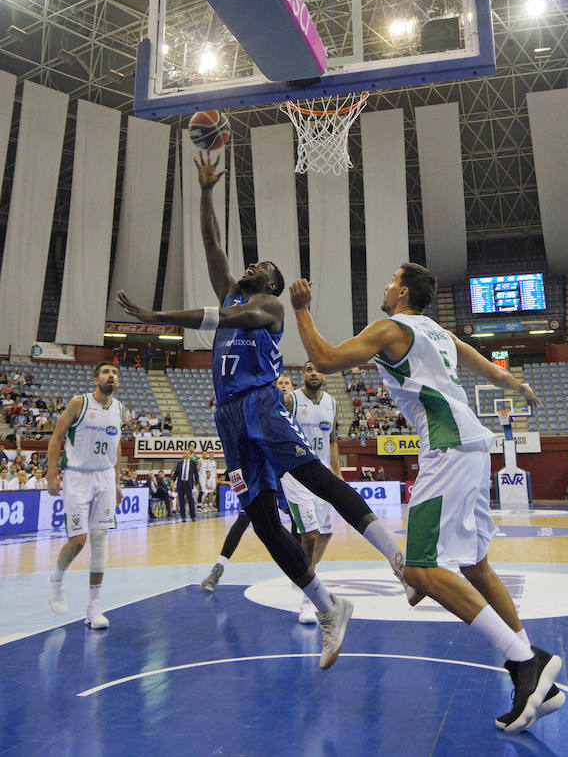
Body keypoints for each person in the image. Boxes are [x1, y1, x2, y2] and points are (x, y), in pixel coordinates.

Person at [116, 151, 408, 671]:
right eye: (251, 264)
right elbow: (212, 243)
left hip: (261, 402)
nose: (252, 266)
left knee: (316, 478)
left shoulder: (267, 307)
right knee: (263, 520)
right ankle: (329, 608)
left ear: (272, 284)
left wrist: (155, 314)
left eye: (262, 267)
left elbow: (228, 317)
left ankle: (396, 557)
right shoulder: (233, 293)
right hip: (228, 416)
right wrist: (206, 193)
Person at [289, 263, 564, 731]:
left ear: (402, 293)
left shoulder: (391, 328)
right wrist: (516, 386)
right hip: (473, 446)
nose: (385, 286)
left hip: (447, 448)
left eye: (390, 280)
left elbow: (327, 358)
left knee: (420, 570)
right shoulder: (439, 333)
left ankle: (526, 661)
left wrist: (302, 310)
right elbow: (484, 366)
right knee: (474, 565)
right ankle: (538, 679)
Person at [201, 374, 298, 593]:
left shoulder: (298, 411)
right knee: (246, 517)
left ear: (293, 389)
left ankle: (301, 568)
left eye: (287, 384)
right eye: (280, 383)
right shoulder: (262, 406)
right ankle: (218, 567)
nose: (283, 386)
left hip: (289, 471)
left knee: (296, 518)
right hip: (263, 470)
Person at [47, 363, 123, 629]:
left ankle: (93, 608)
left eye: (115, 373)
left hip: (105, 477)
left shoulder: (120, 408)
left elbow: (116, 447)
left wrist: (116, 482)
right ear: (95, 380)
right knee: (78, 541)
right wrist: (52, 474)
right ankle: (56, 579)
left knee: (100, 538)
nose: (111, 375)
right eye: (106, 372)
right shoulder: (79, 403)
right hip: (77, 476)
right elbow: (56, 438)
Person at [280, 360, 341, 624]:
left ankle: (307, 574)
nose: (313, 373)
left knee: (325, 534)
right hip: (297, 474)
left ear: (324, 374)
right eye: (308, 369)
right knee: (310, 534)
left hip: (323, 474)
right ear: (303, 375)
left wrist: (337, 472)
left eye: (317, 369)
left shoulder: (332, 403)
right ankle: (308, 597)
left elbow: (332, 440)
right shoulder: (291, 400)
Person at [172, 449, 199, 521]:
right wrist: (172, 480)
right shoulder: (179, 463)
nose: (186, 455)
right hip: (180, 483)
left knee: (190, 500)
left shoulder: (193, 463)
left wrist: (197, 483)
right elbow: (176, 473)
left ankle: (193, 516)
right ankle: (183, 517)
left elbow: (196, 474)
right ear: (183, 454)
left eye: (187, 453)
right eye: (185, 453)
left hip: (188, 484)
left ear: (190, 455)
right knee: (181, 501)